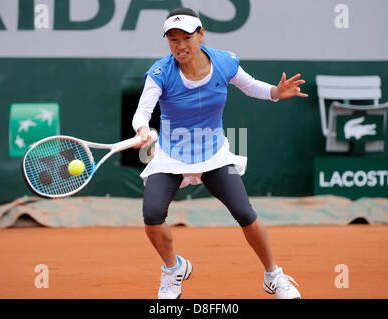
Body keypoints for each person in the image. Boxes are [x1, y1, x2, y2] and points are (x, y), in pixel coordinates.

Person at [132, 7, 308, 299]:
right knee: (152, 216)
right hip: (170, 155)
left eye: (186, 37)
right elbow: (142, 112)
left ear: (201, 35)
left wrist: (276, 93)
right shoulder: (161, 72)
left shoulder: (224, 62)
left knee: (245, 213)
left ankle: (273, 276)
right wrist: (142, 129)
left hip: (214, 154)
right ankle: (173, 269)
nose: (180, 45)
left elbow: (251, 87)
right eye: (172, 39)